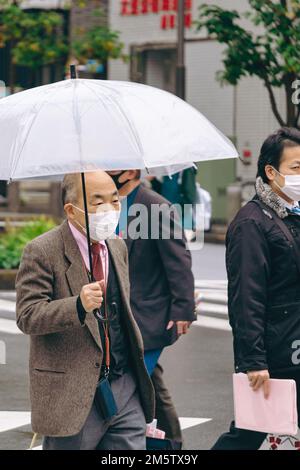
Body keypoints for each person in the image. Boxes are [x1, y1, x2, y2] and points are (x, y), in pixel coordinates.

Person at [15, 170, 155, 450]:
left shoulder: (116, 246)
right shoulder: (42, 250)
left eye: (114, 200)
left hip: (123, 384)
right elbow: (27, 316)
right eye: (97, 202)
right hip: (72, 391)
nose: (109, 209)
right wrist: (77, 306)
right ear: (71, 209)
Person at [213, 128, 300, 450]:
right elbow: (246, 297)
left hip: (295, 342)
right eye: (296, 168)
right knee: (250, 433)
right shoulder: (252, 222)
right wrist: (253, 360)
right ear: (270, 171)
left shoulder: (293, 215)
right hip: (278, 351)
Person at [108, 169, 196, 449]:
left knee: (132, 384)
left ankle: (160, 443)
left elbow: (178, 257)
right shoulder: (103, 204)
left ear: (131, 171)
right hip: (115, 315)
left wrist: (183, 307)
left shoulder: (154, 206)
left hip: (148, 314)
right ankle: (170, 442)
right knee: (149, 380)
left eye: (111, 166)